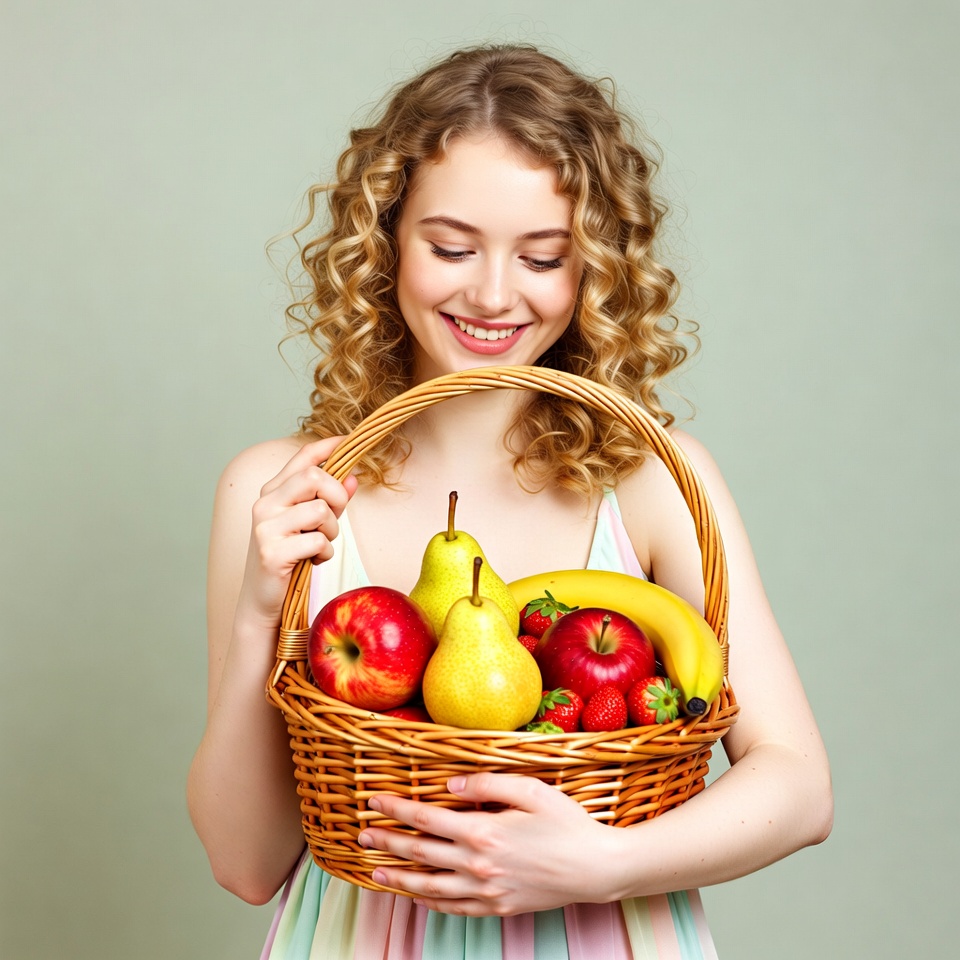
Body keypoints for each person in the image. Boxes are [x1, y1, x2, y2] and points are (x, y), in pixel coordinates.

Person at [187, 44, 832, 959]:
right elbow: (246, 864)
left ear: (595, 269)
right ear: (382, 242)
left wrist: (602, 865)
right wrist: (262, 609)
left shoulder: (651, 480)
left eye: (543, 257)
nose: (492, 293)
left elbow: (800, 786)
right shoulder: (281, 492)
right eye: (451, 247)